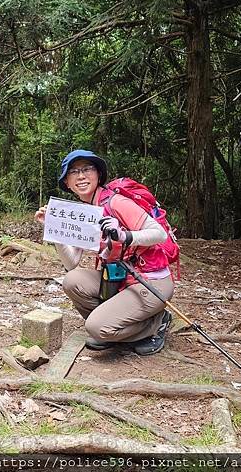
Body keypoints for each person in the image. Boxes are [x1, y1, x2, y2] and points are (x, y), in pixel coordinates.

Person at [34, 149, 174, 354]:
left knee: (96, 328)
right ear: (67, 182)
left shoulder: (116, 202)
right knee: (72, 280)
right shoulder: (83, 212)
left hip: (150, 281)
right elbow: (71, 262)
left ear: (98, 174)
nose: (81, 176)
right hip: (120, 279)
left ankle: (156, 322)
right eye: (73, 172)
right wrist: (52, 229)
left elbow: (159, 234)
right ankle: (116, 328)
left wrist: (126, 236)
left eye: (87, 169)